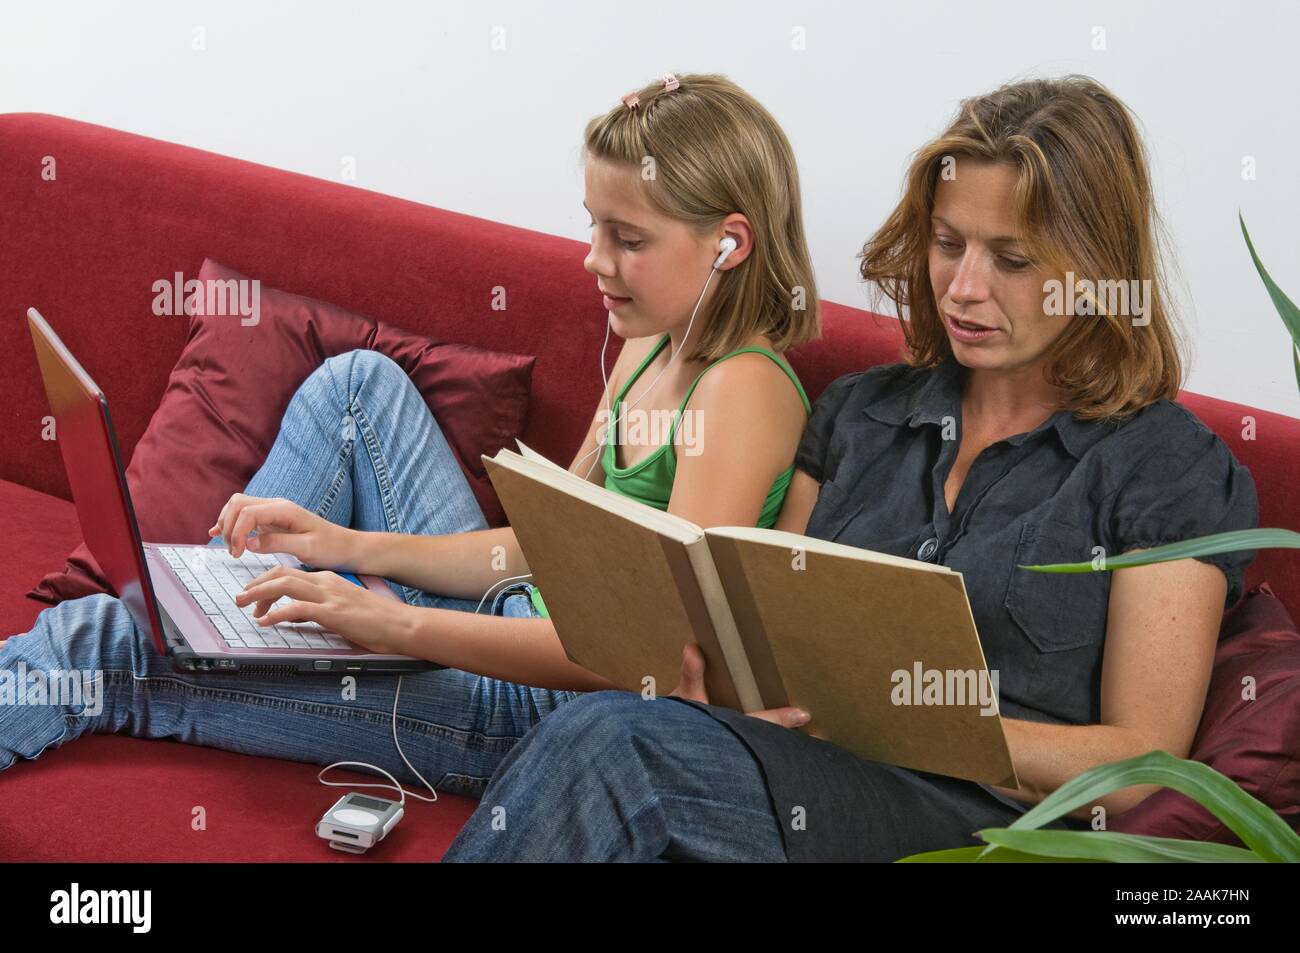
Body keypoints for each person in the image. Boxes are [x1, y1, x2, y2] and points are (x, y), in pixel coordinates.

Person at [440, 75, 1260, 861]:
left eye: (1012, 259)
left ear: (1094, 272)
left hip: (974, 824)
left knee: (611, 742)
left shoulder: (1167, 467)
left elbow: (1146, 766)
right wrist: (722, 689)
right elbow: (765, 618)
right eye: (947, 244)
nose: (963, 288)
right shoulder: (864, 412)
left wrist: (911, 718)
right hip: (795, 775)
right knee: (621, 736)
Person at [0, 73, 820, 802]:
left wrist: (391, 625)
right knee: (358, 387)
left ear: (729, 244)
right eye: (594, 226)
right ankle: (210, 617)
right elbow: (541, 550)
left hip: (548, 706)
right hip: (508, 616)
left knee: (102, 643)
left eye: (628, 239)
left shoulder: (740, 390)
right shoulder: (647, 344)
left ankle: (182, 638)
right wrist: (349, 544)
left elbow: (643, 656)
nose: (592, 260)